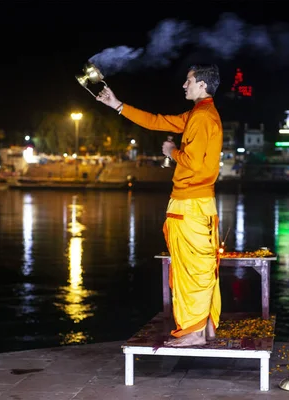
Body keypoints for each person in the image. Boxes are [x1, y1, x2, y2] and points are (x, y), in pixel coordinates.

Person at [96, 64, 223, 347]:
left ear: (202, 85)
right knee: (199, 267)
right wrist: (117, 105)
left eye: (188, 81)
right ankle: (203, 329)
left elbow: (195, 163)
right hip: (195, 203)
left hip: (190, 203)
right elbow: (157, 121)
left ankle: (193, 333)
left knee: (192, 270)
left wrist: (171, 152)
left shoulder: (202, 117)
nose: (183, 85)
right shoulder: (197, 114)